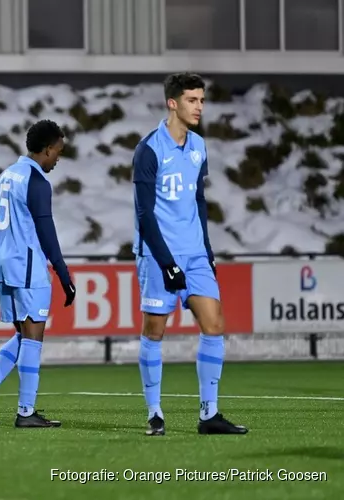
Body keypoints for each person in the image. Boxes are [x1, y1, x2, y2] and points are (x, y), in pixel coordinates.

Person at [132, 72, 247, 436]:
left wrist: (208, 250)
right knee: (154, 331)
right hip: (158, 255)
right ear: (173, 103)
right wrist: (166, 264)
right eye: (192, 100)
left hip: (195, 254)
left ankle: (209, 414)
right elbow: (144, 214)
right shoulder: (149, 149)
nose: (199, 107)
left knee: (214, 324)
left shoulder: (198, 145)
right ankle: (154, 412)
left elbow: (198, 199)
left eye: (201, 100)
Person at [0, 120, 76, 428]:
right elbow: (46, 232)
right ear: (46, 149)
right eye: (57, 151)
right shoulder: (37, 181)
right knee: (33, 338)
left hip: (5, 264)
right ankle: (26, 412)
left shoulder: (7, 176)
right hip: (27, 266)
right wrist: (64, 274)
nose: (58, 158)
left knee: (22, 335)